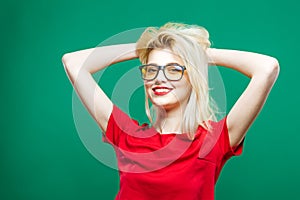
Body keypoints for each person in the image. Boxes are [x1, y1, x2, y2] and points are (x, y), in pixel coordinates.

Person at [62, 22, 279, 200]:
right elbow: (73, 62)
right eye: (152, 69)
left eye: (174, 69)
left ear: (193, 77)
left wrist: (195, 53)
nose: (159, 78)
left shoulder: (214, 140)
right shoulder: (126, 134)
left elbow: (267, 67)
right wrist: (142, 49)